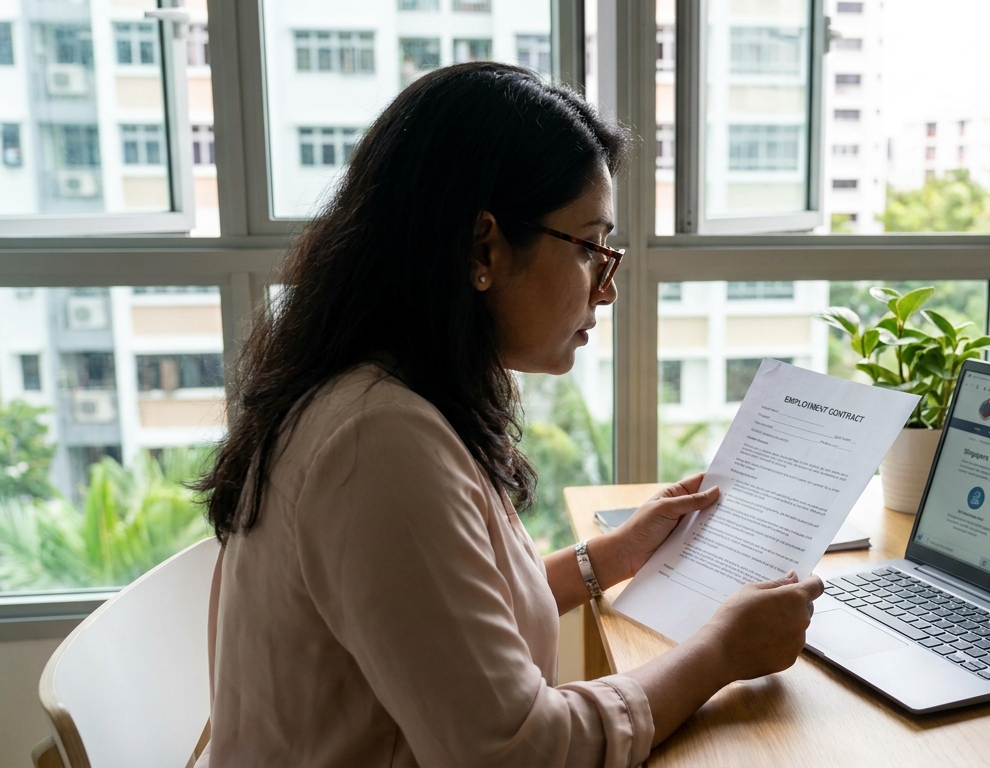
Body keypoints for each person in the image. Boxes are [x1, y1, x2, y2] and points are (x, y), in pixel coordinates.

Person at [194, 62, 823, 767]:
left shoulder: (377, 398)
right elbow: (517, 752)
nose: (605, 290)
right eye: (591, 248)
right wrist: (719, 652)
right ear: (483, 245)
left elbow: (445, 622)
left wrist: (610, 556)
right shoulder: (376, 446)